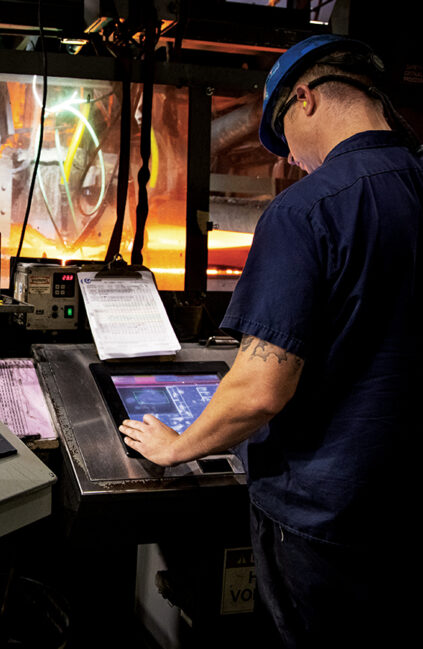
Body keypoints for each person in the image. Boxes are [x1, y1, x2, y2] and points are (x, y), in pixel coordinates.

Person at [119, 34, 421, 647]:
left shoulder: (307, 211)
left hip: (328, 525)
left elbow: (258, 392)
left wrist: (177, 447)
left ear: (305, 98)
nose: (288, 162)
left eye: (284, 139)